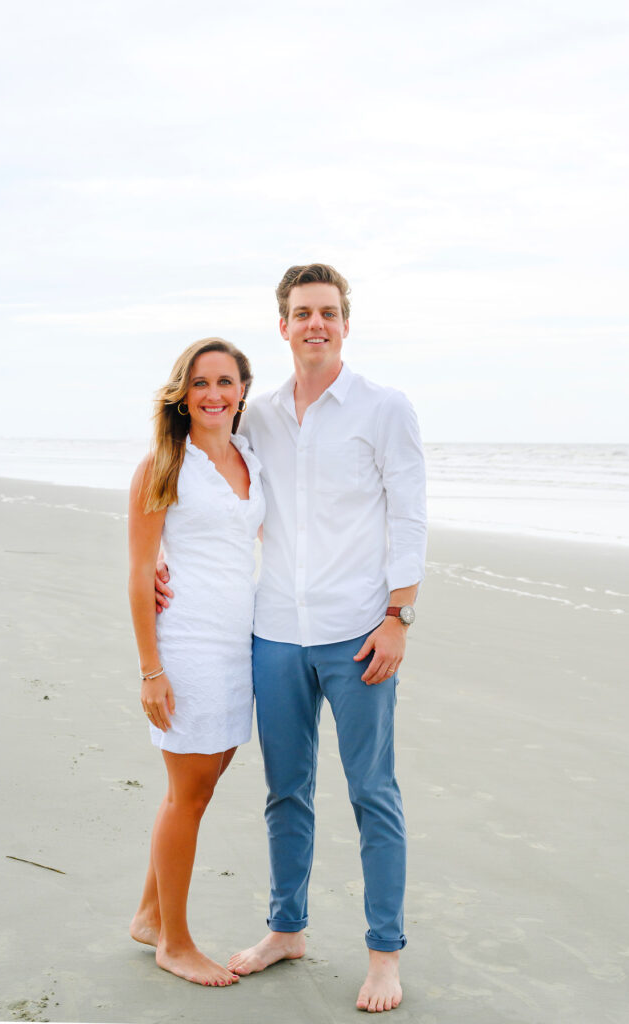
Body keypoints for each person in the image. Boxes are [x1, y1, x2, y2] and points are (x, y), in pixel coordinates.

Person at [156, 265, 427, 1012]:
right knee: (286, 793)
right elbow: (197, 477)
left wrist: (399, 615)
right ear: (282, 325)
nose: (316, 323)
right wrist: (154, 565)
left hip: (359, 634)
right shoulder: (259, 414)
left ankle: (383, 956)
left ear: (346, 323)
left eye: (328, 313)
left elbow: (409, 515)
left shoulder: (384, 409)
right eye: (302, 312)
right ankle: (287, 930)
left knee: (374, 794)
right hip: (272, 634)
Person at [128, 337, 264, 988]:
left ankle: (151, 916)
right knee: (187, 794)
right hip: (187, 646)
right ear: (183, 393)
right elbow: (137, 571)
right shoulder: (164, 464)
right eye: (202, 382)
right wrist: (151, 668)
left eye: (226, 381)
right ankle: (174, 943)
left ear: (243, 390)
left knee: (201, 789)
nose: (214, 393)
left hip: (242, 645)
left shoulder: (250, 461)